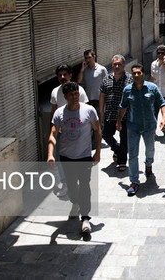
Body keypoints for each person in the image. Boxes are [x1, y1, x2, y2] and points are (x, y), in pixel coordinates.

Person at [47, 82, 101, 237]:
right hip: (66, 157)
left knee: (85, 185)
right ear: (65, 97)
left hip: (84, 156)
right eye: (71, 95)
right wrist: (50, 154)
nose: (75, 97)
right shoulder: (59, 113)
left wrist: (97, 152)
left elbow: (98, 131)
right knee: (71, 187)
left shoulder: (89, 111)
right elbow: (53, 134)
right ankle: (75, 202)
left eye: (76, 93)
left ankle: (85, 217)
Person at [117, 65, 165, 196]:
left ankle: (148, 165)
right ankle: (134, 181)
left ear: (143, 74)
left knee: (150, 150)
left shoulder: (152, 88)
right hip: (133, 127)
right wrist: (118, 121)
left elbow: (162, 103)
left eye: (139, 73)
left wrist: (164, 118)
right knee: (133, 155)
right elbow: (122, 106)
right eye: (134, 73)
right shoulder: (127, 90)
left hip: (149, 127)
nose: (136, 75)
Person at [50, 64, 88, 196]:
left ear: (70, 75)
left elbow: (85, 110)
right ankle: (66, 184)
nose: (62, 77)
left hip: (77, 133)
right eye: (60, 75)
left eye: (65, 74)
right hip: (62, 134)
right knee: (61, 160)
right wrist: (53, 129)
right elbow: (54, 111)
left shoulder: (79, 90)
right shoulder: (55, 92)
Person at [99, 55, 133, 171]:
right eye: (115, 64)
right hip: (110, 113)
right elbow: (102, 96)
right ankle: (117, 149)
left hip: (125, 115)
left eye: (119, 64)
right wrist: (101, 112)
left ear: (124, 65)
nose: (117, 66)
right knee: (106, 135)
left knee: (124, 138)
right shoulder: (106, 79)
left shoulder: (129, 79)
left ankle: (122, 161)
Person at [150, 45, 165, 135]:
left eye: (162, 53)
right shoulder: (153, 64)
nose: (160, 55)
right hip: (156, 94)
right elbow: (152, 78)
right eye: (158, 53)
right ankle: (153, 129)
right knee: (154, 112)